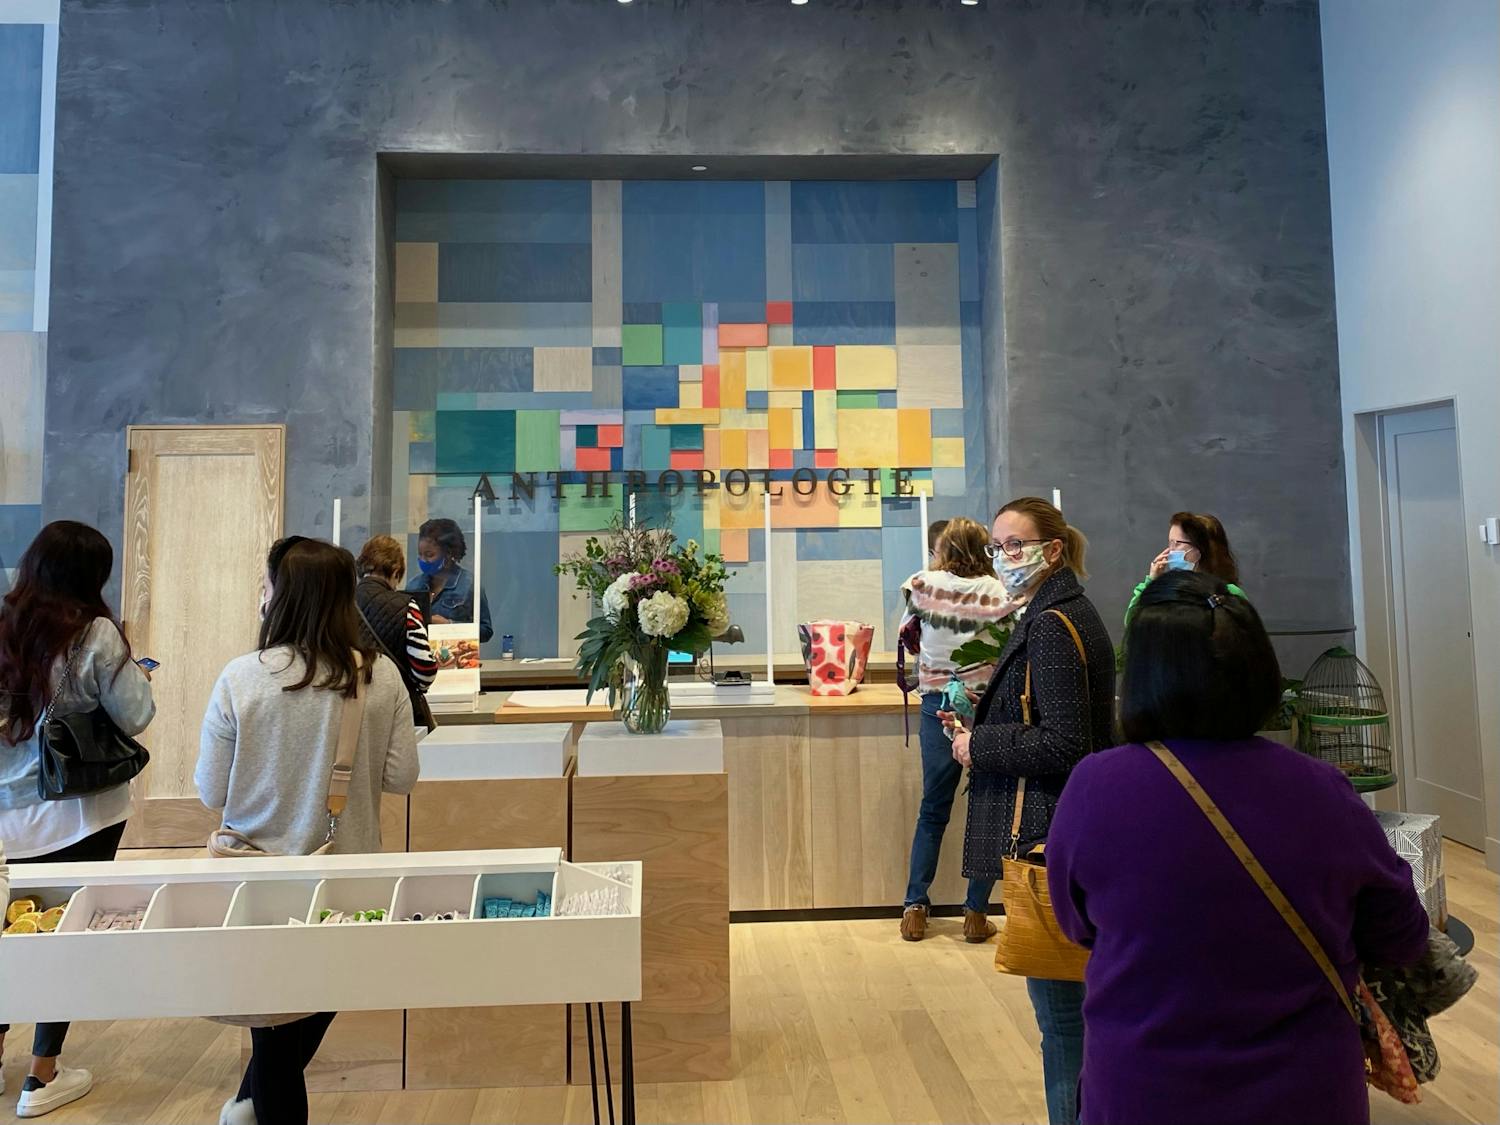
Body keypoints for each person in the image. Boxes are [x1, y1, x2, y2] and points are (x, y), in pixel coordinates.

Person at [1047, 570, 1430, 1125]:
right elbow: (1402, 936)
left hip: (1144, 1089)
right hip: (1306, 1091)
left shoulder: (1096, 786)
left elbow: (1076, 924)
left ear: (1141, 677)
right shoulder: (1322, 789)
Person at [197, 539, 420, 1125]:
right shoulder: (380, 676)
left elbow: (211, 791)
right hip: (350, 879)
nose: (261, 596)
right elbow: (401, 776)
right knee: (309, 1006)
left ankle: (250, 1103)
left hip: (257, 880)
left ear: (281, 596)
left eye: (266, 586)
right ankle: (250, 1105)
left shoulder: (241, 678)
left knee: (275, 1024)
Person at [943, 497, 1114, 1125]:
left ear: (1053, 549)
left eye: (1015, 545)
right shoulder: (1054, 612)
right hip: (1072, 829)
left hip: (1052, 835)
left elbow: (1068, 742)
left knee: (1064, 1021)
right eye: (997, 547)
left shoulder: (1052, 622)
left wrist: (976, 743)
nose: (1004, 558)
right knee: (1073, 1015)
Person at [0, 521, 156, 1117]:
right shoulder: (96, 635)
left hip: (7, 818)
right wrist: (137, 669)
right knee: (66, 935)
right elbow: (136, 714)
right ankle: (41, 1075)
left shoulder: (5, 624)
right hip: (77, 815)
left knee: (8, 934)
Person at [898, 517, 1018, 942]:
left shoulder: (922, 585)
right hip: (989, 709)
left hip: (938, 706)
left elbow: (909, 638)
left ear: (944, 548)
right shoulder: (1001, 592)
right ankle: (975, 913)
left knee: (933, 809)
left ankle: (915, 907)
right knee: (986, 811)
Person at [355, 535, 437, 727]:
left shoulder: (339, 604)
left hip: (351, 709)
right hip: (396, 711)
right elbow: (424, 671)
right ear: (396, 571)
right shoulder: (406, 606)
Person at [1124, 511, 1244, 626]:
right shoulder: (1171, 591)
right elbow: (1132, 623)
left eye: (1177, 543)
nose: (1169, 551)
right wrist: (1151, 583)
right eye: (1170, 543)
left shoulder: (1229, 594)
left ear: (1200, 549)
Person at [406, 518, 492, 643]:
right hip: (419, 658)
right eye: (420, 554)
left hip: (456, 658)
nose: (423, 560)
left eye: (429, 555)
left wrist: (449, 625)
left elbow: (486, 631)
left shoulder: (470, 584)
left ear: (447, 553)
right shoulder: (413, 585)